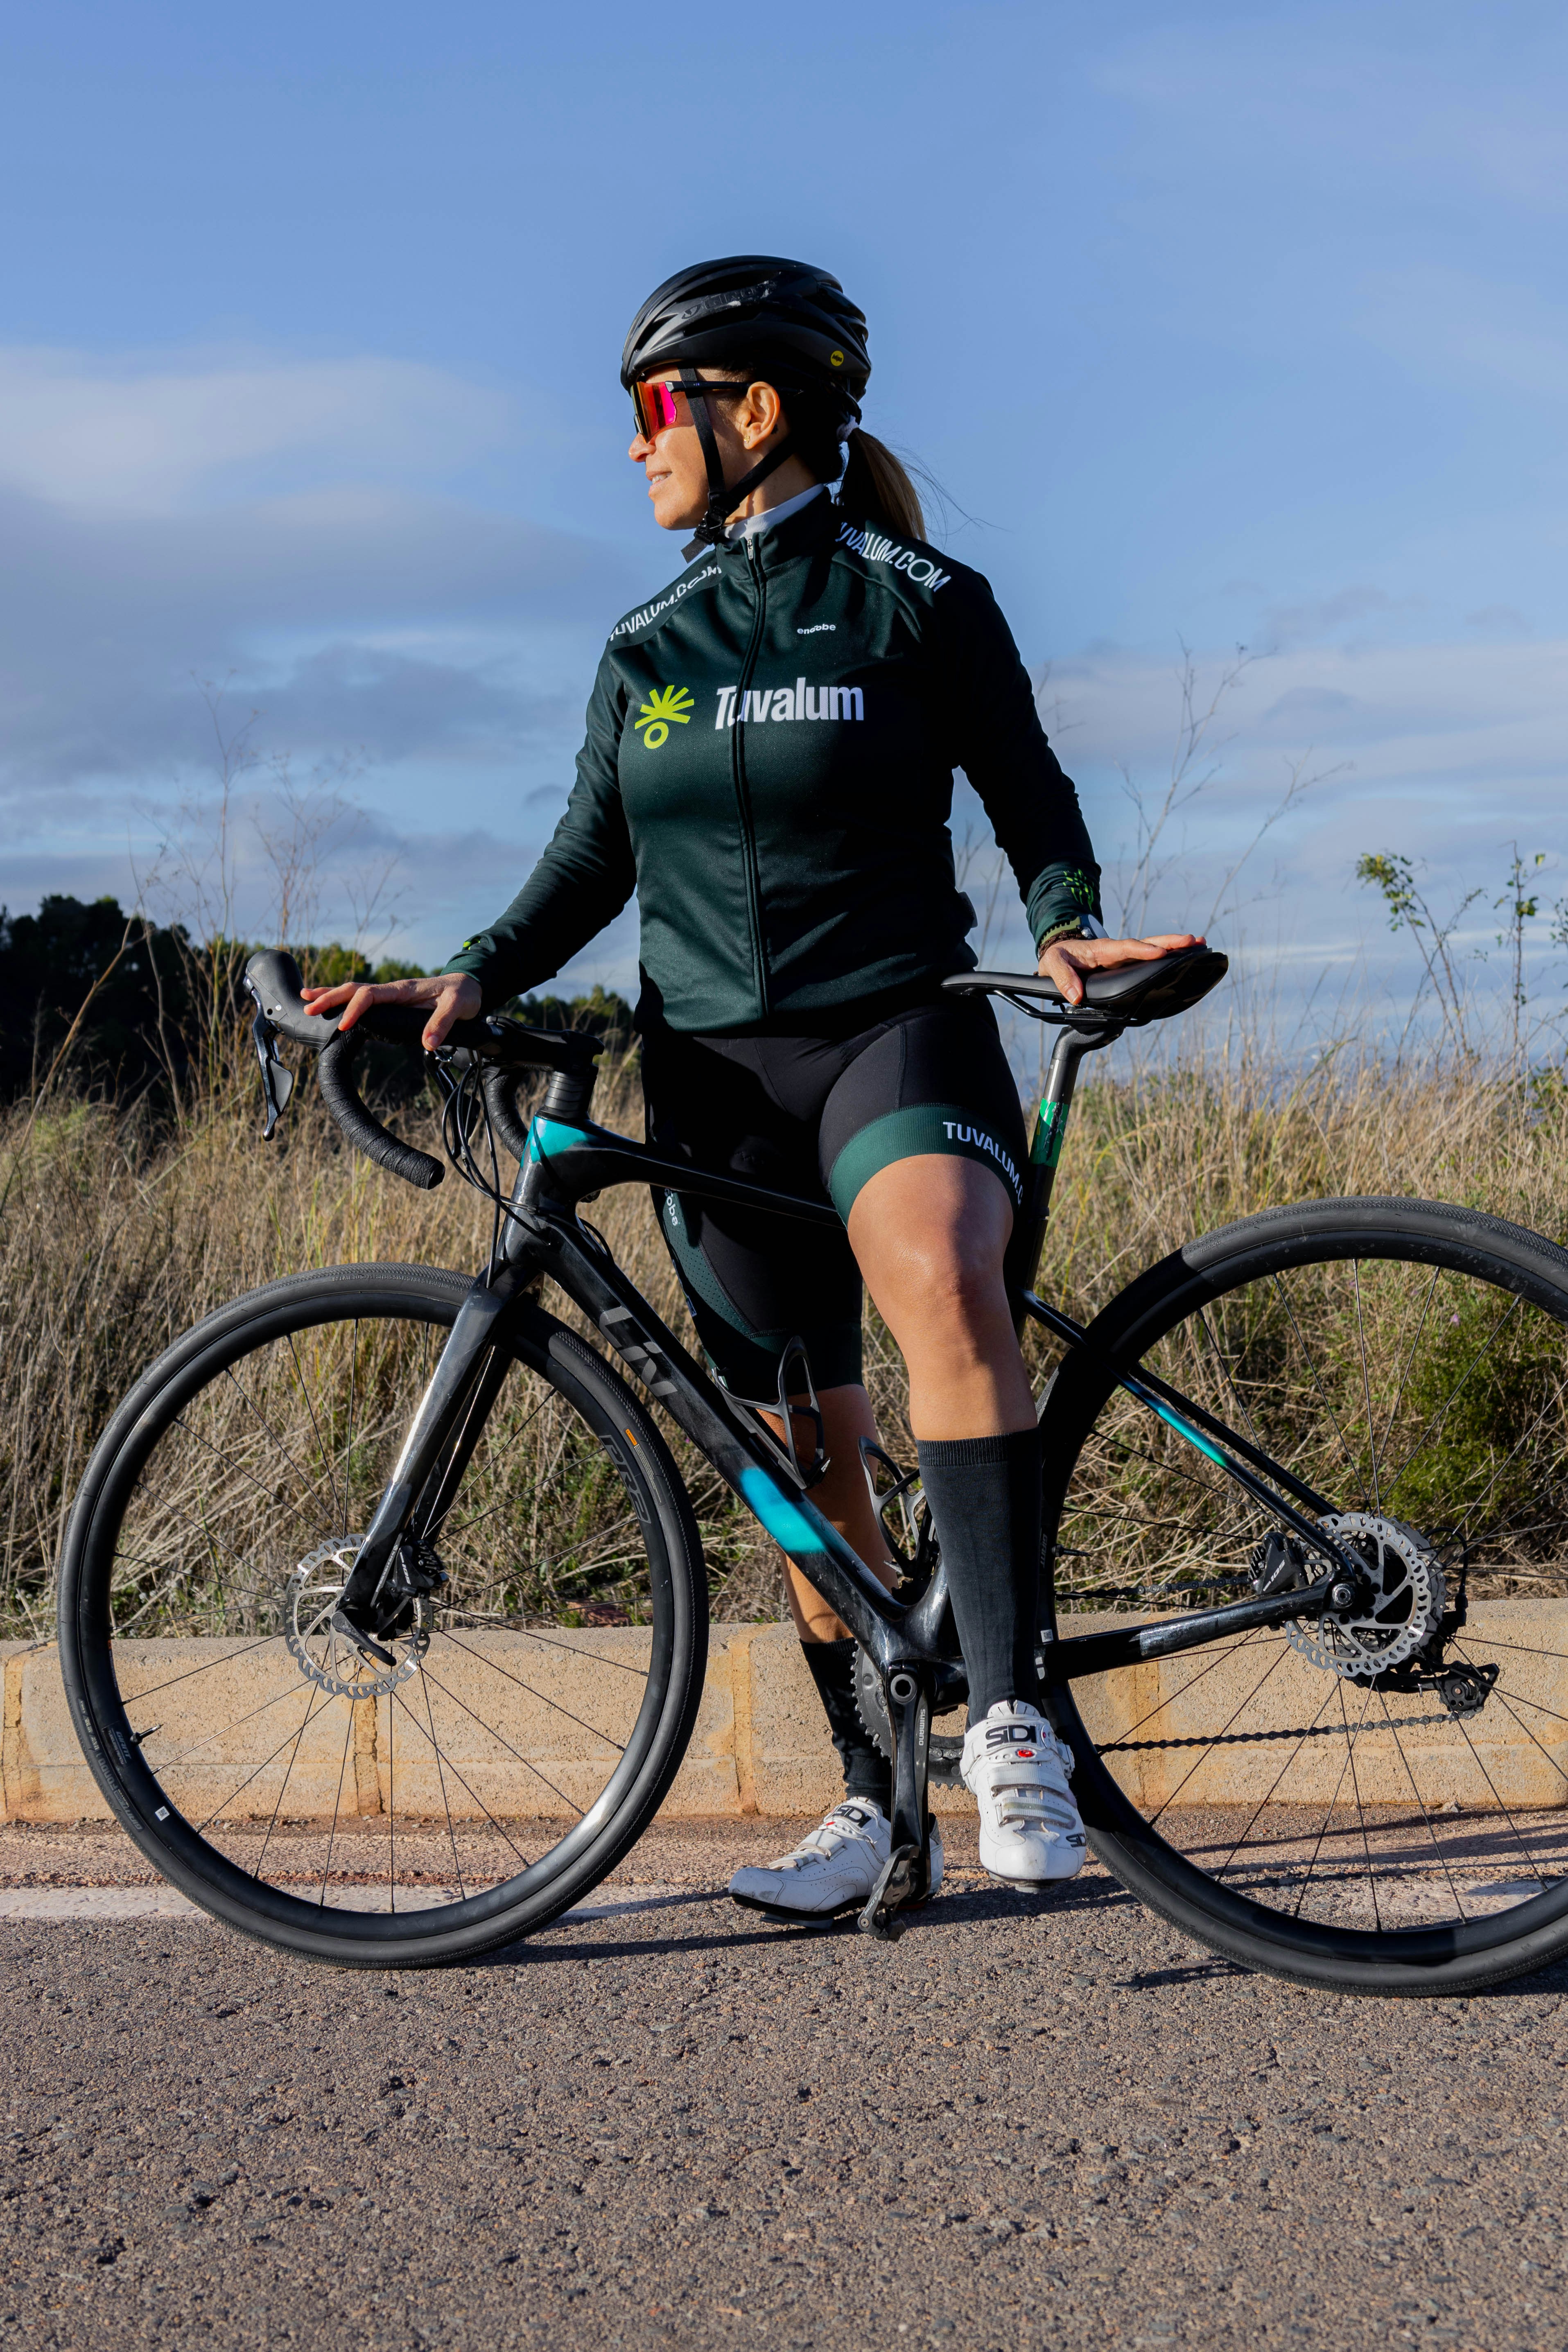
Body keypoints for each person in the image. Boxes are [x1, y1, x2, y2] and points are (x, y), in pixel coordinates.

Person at [304, 255, 1200, 1919]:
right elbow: (588, 857)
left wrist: (1068, 927)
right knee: (806, 1452)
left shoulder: (918, 598)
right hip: (712, 1073)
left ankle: (1009, 1722)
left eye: (655, 410)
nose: (635, 446)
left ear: (755, 410)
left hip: (892, 1031)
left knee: (939, 1272)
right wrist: (471, 975)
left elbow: (1030, 796)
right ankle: (874, 1808)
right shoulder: (649, 640)